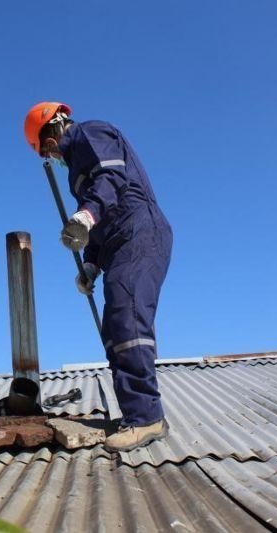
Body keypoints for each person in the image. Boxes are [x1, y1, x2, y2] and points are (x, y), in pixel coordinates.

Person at [23, 101, 173, 452]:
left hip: (139, 232)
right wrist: (90, 262)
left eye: (47, 146)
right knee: (116, 331)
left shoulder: (92, 131)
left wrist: (86, 214)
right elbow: (99, 221)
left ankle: (146, 417)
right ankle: (137, 413)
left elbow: (111, 179)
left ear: (55, 125)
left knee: (127, 320)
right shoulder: (77, 172)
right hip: (117, 243)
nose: (51, 154)